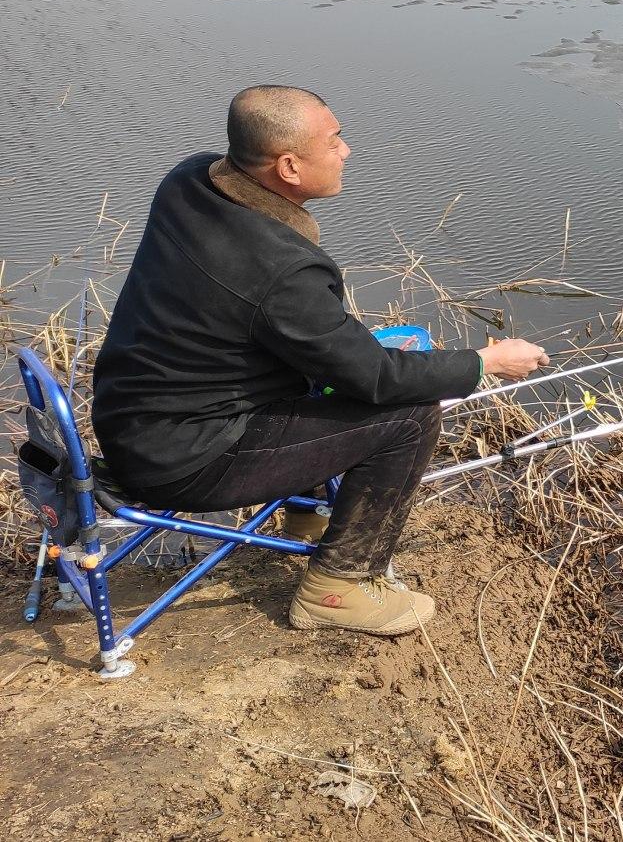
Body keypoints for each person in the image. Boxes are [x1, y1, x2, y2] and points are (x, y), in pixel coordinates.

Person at [92, 85, 548, 637]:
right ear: (288, 166)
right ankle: (338, 587)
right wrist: (486, 361)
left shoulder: (190, 181)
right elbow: (376, 378)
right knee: (409, 415)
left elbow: (313, 346)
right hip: (185, 460)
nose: (346, 151)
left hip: (135, 422)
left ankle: (306, 516)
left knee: (331, 374)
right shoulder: (281, 273)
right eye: (334, 140)